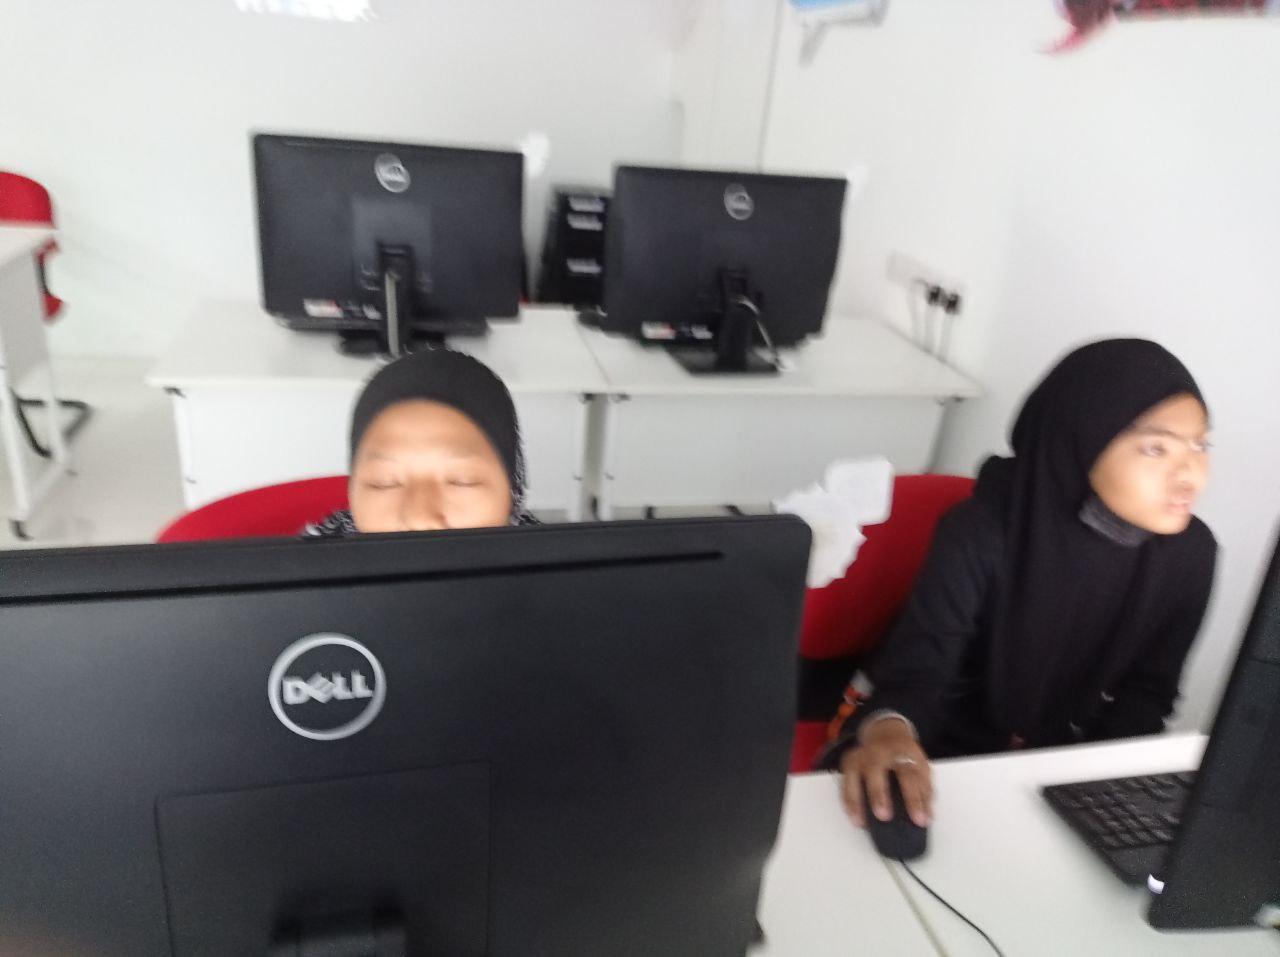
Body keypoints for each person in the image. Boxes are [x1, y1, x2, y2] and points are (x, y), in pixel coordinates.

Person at [829, 339, 1215, 831]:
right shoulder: (981, 532)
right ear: (1082, 441)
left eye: (1200, 446)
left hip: (1058, 766)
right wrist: (890, 733)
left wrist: (1101, 800)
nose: (1190, 475)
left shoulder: (1190, 554)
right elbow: (918, 674)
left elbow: (1148, 694)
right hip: (938, 744)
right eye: (1156, 448)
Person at [308, 348, 535, 536]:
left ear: (512, 494)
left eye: (462, 480)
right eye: (384, 483)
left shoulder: (551, 567)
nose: (420, 520)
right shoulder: (307, 571)